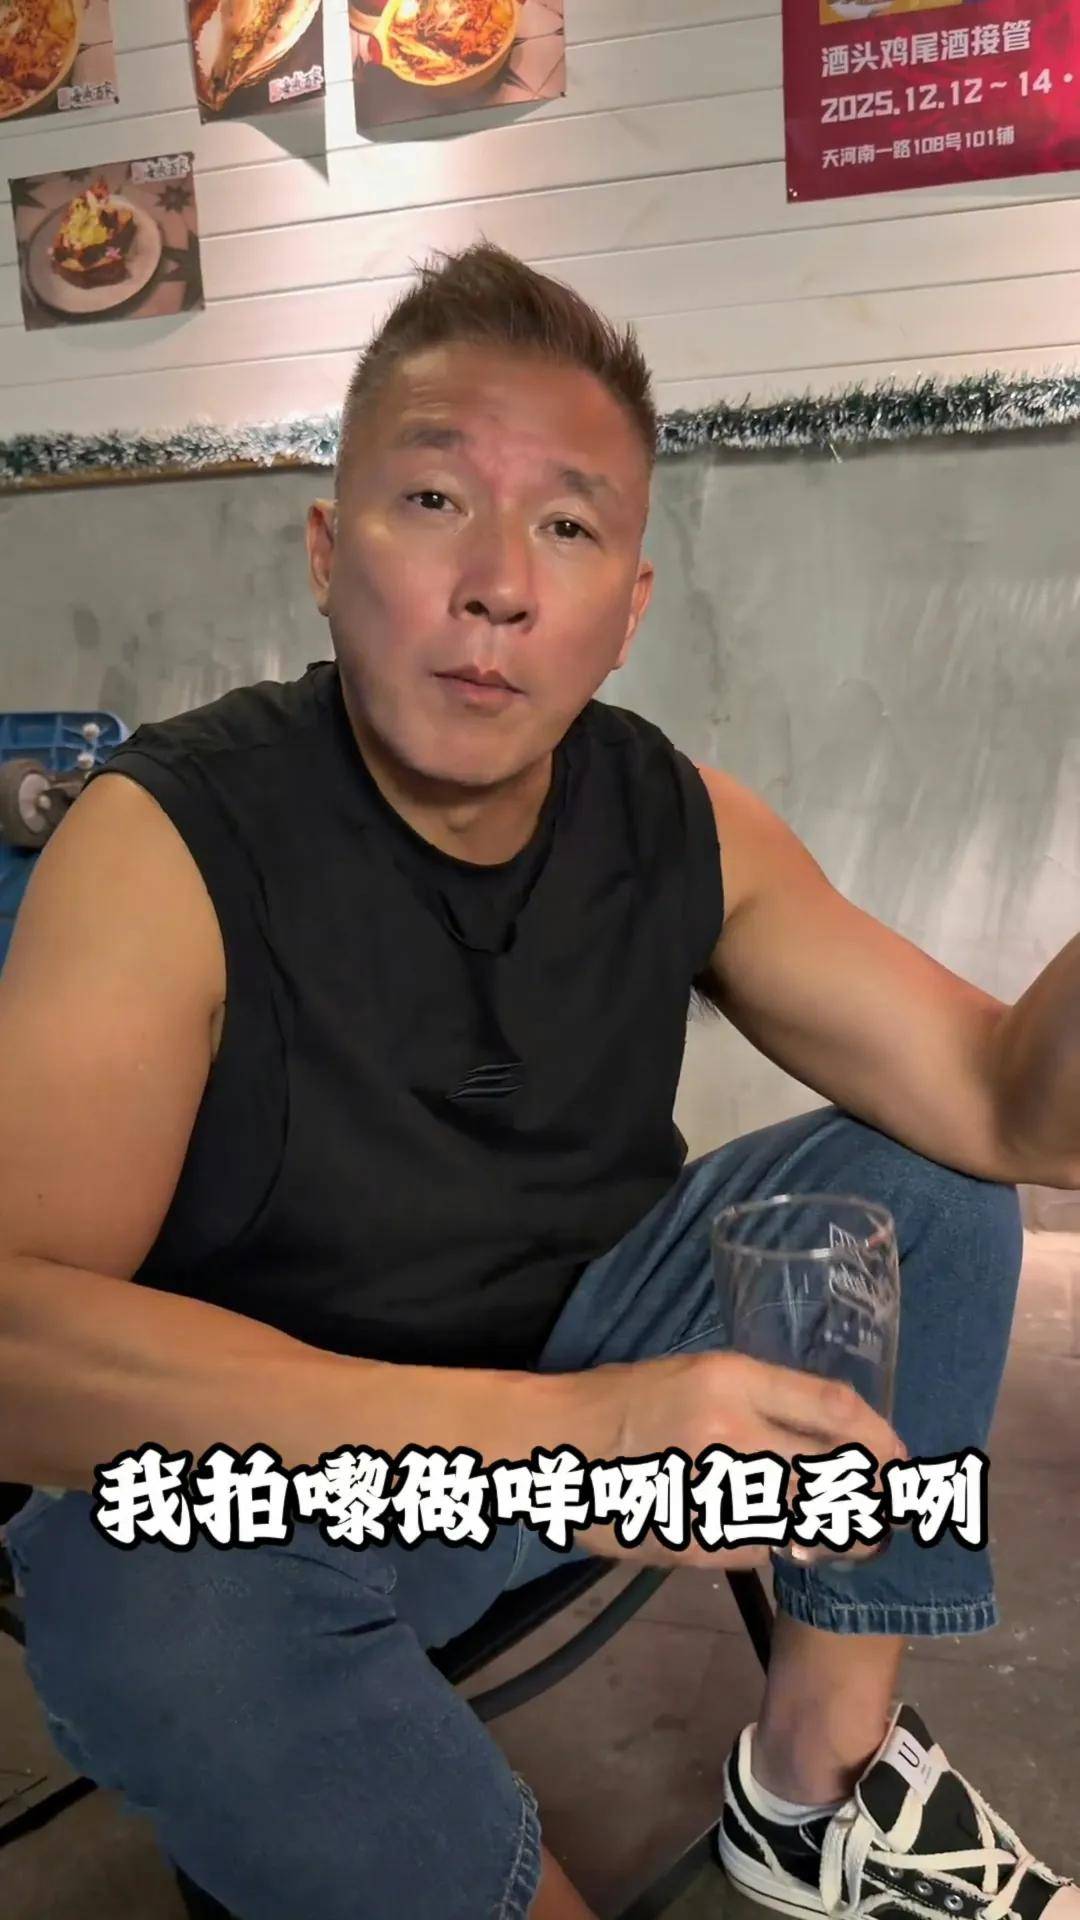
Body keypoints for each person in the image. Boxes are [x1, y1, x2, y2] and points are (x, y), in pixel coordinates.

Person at [0, 244, 1077, 1920]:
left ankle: (819, 1793)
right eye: (434, 500)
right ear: (326, 551)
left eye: (567, 527)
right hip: (299, 1478)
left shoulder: (679, 819)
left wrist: (591, 1424)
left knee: (923, 1183)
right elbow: (14, 1342)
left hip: (591, 1381)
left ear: (628, 609)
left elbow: (1008, 1107)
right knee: (137, 1585)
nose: (497, 584)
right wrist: (568, 1440)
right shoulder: (167, 841)